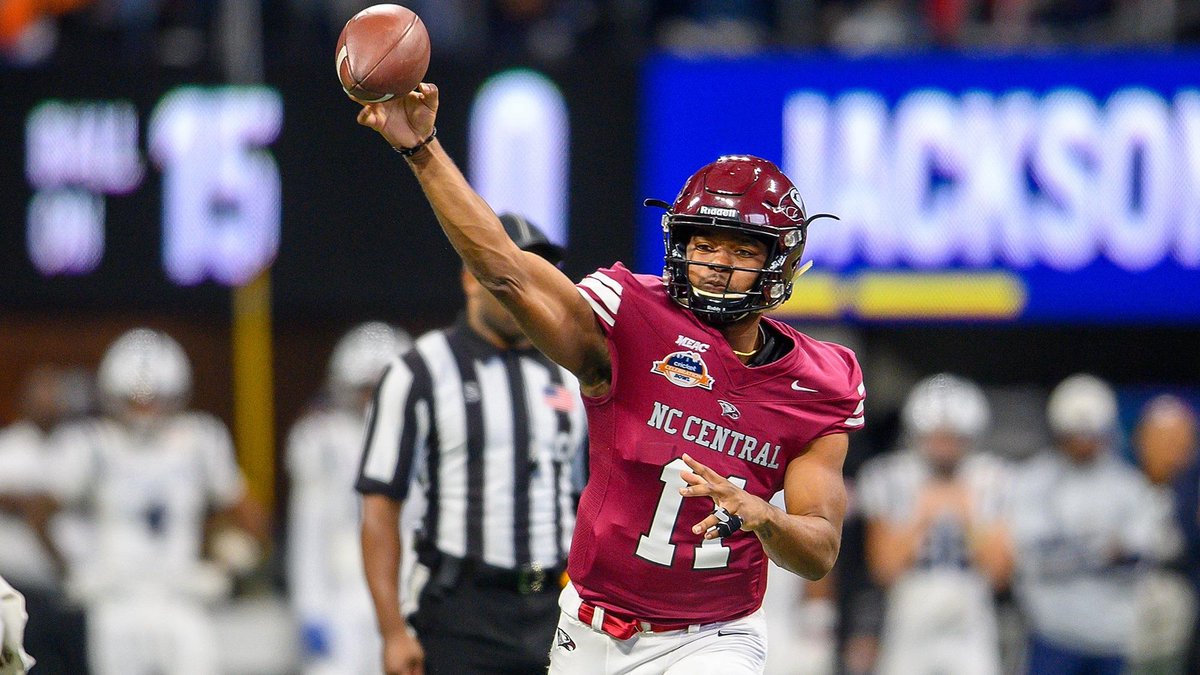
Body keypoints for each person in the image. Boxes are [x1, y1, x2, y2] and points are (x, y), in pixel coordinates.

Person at [354, 81, 865, 674]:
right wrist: (423, 150)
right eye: (704, 244)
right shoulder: (632, 317)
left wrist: (762, 513)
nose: (719, 265)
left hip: (712, 637)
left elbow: (820, 549)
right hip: (590, 627)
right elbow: (506, 271)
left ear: (780, 260)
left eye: (743, 251)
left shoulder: (820, 380)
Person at [356, 213, 588, 675]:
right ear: (469, 278)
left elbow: (589, 500)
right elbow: (380, 510)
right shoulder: (420, 370)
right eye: (505, 275)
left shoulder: (572, 374)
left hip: (557, 609)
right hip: (461, 610)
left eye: (529, 275)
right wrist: (392, 632)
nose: (520, 290)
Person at [47, 327, 269, 675]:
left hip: (181, 595)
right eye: (134, 400)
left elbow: (248, 514)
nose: (144, 411)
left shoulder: (200, 438)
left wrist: (228, 562)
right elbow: (42, 509)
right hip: (115, 598)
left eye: (153, 400)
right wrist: (69, 567)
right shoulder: (90, 443)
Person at [1004, 374, 1166, 675]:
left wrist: (1076, 549)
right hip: (1052, 632)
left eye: (1090, 433)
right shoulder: (1035, 480)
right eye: (1075, 434)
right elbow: (1034, 559)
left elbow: (1139, 559)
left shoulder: (1128, 485)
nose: (1083, 442)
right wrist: (1102, 549)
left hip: (1111, 635)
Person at [857, 374, 1011, 675]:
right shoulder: (889, 476)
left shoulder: (992, 478)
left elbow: (999, 573)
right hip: (910, 610)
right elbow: (884, 569)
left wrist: (969, 519)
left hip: (971, 616)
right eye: (937, 438)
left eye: (954, 439)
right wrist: (922, 516)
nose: (945, 448)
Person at [287, 322, 411, 675]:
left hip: (408, 591)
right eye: (364, 388)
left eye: (382, 388)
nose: (372, 399)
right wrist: (309, 606)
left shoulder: (425, 438)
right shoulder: (321, 438)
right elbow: (308, 528)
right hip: (343, 590)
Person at [1129, 394, 1200, 675]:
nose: (1171, 450)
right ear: (1139, 441)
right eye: (1159, 439)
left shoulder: (1190, 495)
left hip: (1183, 623)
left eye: (1179, 440)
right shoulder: (1119, 487)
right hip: (1118, 621)